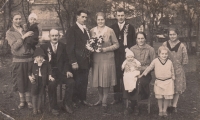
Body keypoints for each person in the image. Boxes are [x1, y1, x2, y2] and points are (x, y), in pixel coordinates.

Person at [89, 12, 119, 113]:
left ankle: (105, 100)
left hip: (107, 58)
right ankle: (100, 98)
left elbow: (116, 45)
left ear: (105, 20)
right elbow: (89, 44)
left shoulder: (110, 30)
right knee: (98, 79)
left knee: (105, 80)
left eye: (102, 19)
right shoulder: (92, 31)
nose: (100, 21)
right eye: (98, 20)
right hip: (96, 58)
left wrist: (105, 49)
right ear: (96, 20)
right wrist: (90, 47)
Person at [40, 29, 75, 115]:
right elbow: (42, 62)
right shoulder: (44, 47)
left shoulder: (63, 46)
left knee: (71, 82)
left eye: (56, 35)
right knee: (52, 84)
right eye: (53, 36)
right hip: (50, 73)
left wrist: (67, 70)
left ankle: (66, 103)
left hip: (62, 72)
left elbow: (67, 60)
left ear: (59, 36)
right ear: (49, 37)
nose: (54, 37)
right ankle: (53, 106)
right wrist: (47, 74)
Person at [6, 12, 34, 109]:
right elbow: (14, 47)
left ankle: (29, 101)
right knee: (20, 81)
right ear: (12, 20)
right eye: (16, 19)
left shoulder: (25, 29)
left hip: (29, 60)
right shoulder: (9, 32)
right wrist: (23, 37)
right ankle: (22, 101)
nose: (18, 21)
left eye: (20, 19)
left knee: (29, 80)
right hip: (18, 61)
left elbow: (32, 43)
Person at [124, 32, 156, 115]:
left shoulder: (150, 49)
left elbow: (153, 65)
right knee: (127, 80)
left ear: (145, 39)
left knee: (139, 82)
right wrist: (127, 67)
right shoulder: (132, 49)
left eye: (142, 38)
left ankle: (134, 105)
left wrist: (143, 70)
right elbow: (128, 61)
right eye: (139, 38)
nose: (140, 40)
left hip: (145, 73)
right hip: (133, 72)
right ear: (136, 39)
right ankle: (134, 104)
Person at [139, 46, 175, 117]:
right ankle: (160, 110)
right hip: (159, 82)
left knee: (167, 97)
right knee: (160, 97)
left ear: (167, 54)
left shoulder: (170, 62)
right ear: (159, 54)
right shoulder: (155, 61)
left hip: (168, 81)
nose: (164, 55)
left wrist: (173, 76)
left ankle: (164, 110)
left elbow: (172, 70)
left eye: (166, 54)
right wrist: (142, 74)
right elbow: (149, 68)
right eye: (162, 54)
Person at [66, 8, 92, 107]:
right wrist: (73, 61)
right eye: (82, 17)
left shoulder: (86, 29)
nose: (84, 19)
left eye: (86, 17)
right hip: (77, 61)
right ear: (77, 17)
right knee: (76, 81)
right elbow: (69, 48)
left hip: (86, 60)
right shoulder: (72, 30)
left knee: (84, 80)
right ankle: (74, 100)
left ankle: (83, 99)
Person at [110, 8, 136, 104]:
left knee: (127, 75)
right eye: (119, 15)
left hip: (127, 56)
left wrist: (131, 55)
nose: (120, 17)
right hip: (115, 55)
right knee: (116, 76)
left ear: (125, 16)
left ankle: (126, 96)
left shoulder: (131, 27)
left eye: (122, 15)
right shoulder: (112, 27)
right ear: (116, 16)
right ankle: (117, 98)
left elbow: (133, 42)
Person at [162, 27, 188, 113]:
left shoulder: (182, 45)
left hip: (178, 69)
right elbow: (160, 56)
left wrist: (180, 67)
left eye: (174, 34)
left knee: (177, 88)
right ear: (168, 35)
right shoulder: (165, 44)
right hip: (167, 69)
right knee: (168, 87)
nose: (172, 36)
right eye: (170, 34)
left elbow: (185, 59)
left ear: (177, 35)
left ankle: (174, 105)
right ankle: (168, 104)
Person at [28, 47, 54, 115]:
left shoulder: (46, 63)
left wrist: (50, 76)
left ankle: (39, 108)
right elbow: (28, 72)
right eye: (38, 57)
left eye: (41, 57)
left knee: (40, 95)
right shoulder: (32, 63)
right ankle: (34, 109)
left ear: (43, 57)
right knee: (34, 95)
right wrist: (30, 77)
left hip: (42, 81)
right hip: (35, 81)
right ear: (35, 58)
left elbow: (49, 70)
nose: (39, 58)